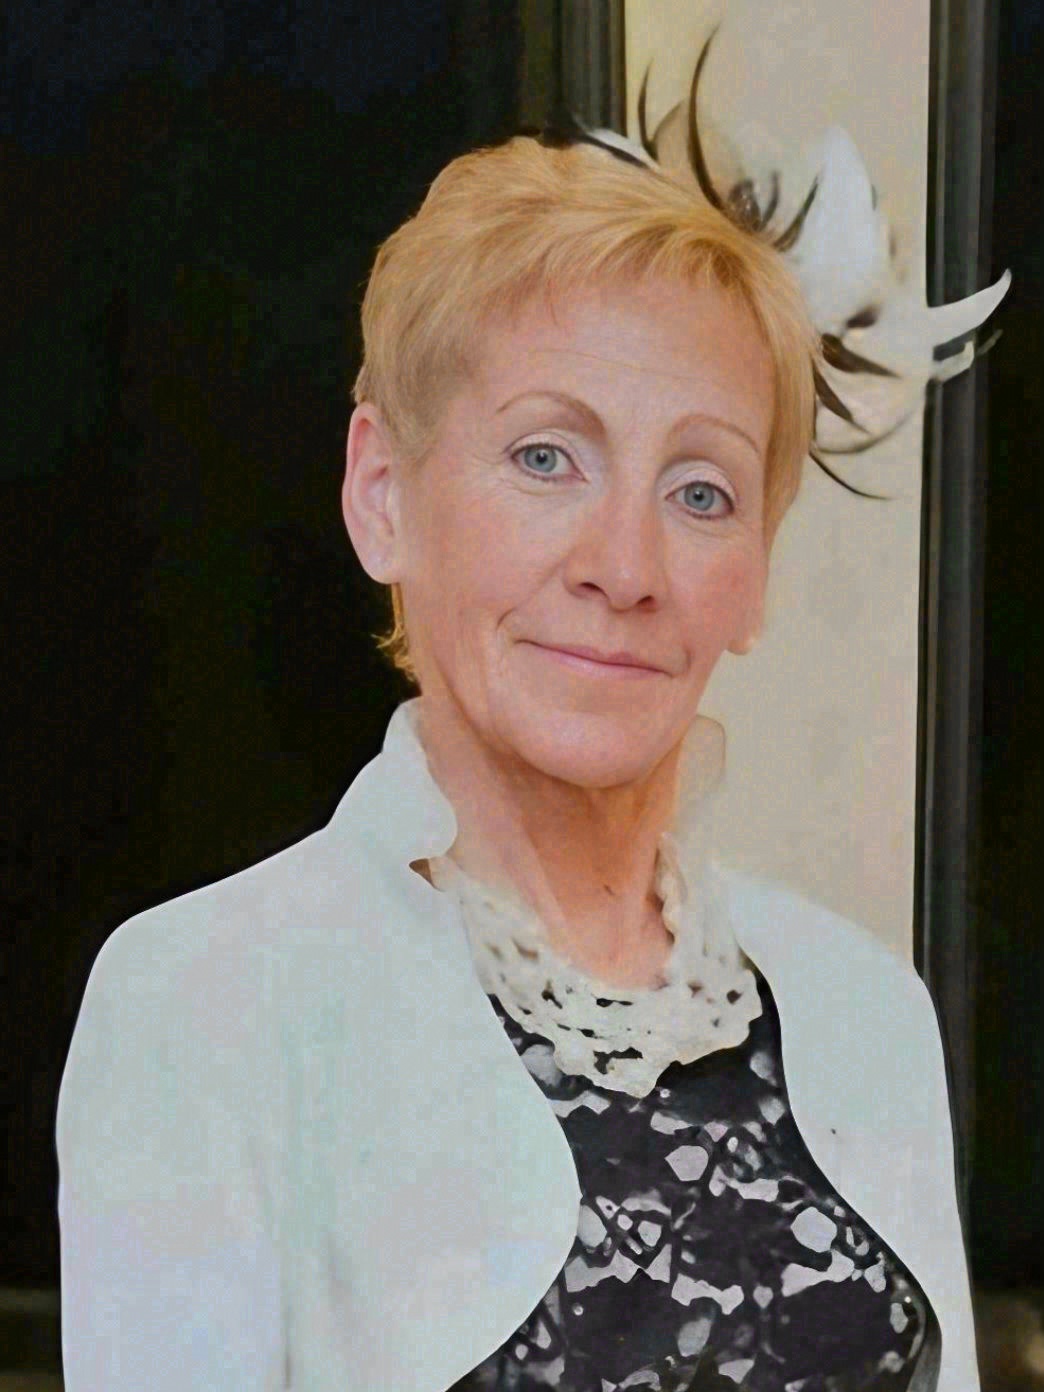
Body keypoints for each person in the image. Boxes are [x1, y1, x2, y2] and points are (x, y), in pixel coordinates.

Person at [56, 44, 1009, 1392]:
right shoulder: (207, 1004)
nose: (625, 565)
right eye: (545, 457)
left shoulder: (869, 1011)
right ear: (383, 494)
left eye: (701, 491)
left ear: (755, 572)